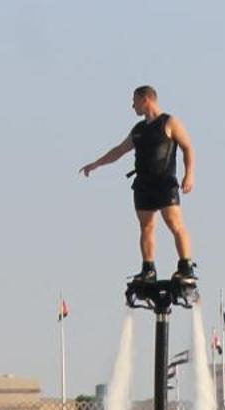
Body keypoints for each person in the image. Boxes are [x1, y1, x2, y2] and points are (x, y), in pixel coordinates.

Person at [80, 84, 196, 284]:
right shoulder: (139, 129)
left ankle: (185, 266)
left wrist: (189, 175)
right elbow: (119, 150)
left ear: (146, 99)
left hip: (165, 182)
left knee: (174, 223)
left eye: (134, 101)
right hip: (144, 184)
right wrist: (96, 164)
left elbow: (187, 147)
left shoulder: (169, 122)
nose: (132, 106)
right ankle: (148, 269)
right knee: (147, 227)